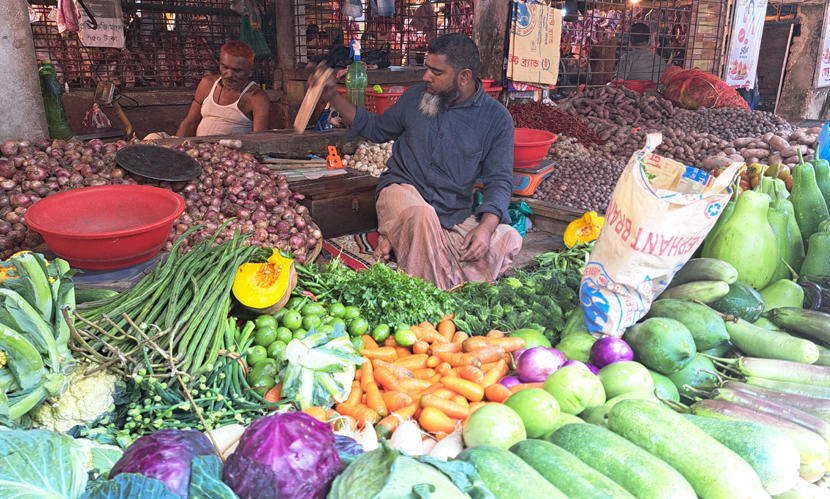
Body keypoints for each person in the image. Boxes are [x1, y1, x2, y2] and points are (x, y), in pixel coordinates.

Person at [314, 33, 522, 290]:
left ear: (464, 77)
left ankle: (409, 248)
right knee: (421, 217)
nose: (426, 77)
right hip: (402, 193)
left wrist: (486, 229)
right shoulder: (416, 97)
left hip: (451, 215)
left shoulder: (497, 119)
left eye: (437, 72)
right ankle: (440, 287)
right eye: (427, 68)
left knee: (508, 238)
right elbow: (376, 128)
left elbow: (499, 182)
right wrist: (333, 96)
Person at [175, 41, 270, 137]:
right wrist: (174, 145)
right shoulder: (207, 84)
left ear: (250, 71)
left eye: (237, 70)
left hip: (237, 147)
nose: (229, 75)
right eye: (225, 67)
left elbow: (259, 138)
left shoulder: (257, 98)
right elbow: (189, 123)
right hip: (201, 146)